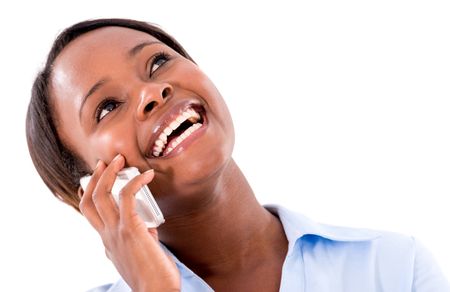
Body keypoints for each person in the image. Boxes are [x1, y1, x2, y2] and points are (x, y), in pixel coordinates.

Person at [26, 18, 449, 292]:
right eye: (107, 107)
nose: (152, 92)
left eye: (157, 64)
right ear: (82, 191)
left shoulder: (394, 267)